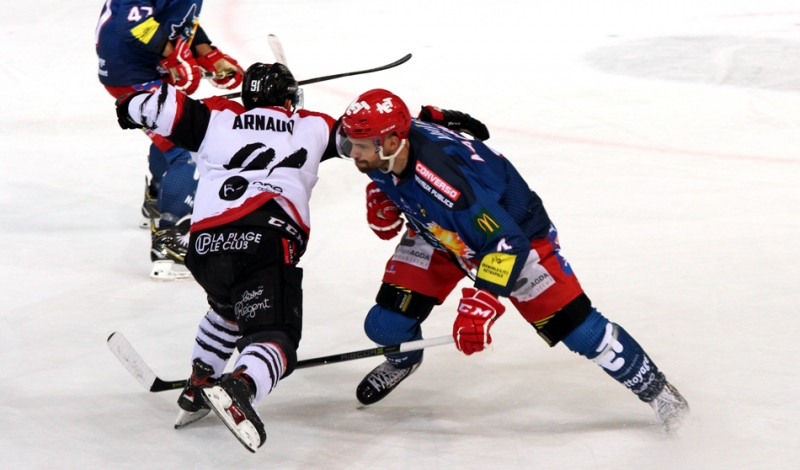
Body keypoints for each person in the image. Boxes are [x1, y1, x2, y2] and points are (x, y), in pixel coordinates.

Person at [336, 89, 690, 433]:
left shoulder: (445, 183)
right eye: (352, 141)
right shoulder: (383, 141)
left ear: (395, 142)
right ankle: (406, 360)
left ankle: (659, 393)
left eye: (362, 145)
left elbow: (507, 241)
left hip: (514, 239)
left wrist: (485, 298)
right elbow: (421, 120)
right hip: (444, 233)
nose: (352, 151)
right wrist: (384, 190)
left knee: (581, 331)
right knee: (385, 326)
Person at [115, 62, 335, 451]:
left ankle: (200, 383)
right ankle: (240, 385)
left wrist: (129, 109)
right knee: (276, 336)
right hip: (264, 243)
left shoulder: (216, 114)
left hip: (204, 249)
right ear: (288, 100)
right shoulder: (312, 124)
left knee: (228, 308)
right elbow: (369, 135)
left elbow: (156, 105)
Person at [95, 0, 244, 279]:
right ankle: (170, 243)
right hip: (131, 70)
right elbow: (133, 22)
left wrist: (206, 53)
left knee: (173, 129)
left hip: (145, 63)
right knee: (188, 147)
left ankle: (157, 197)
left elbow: (181, 15)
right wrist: (174, 55)